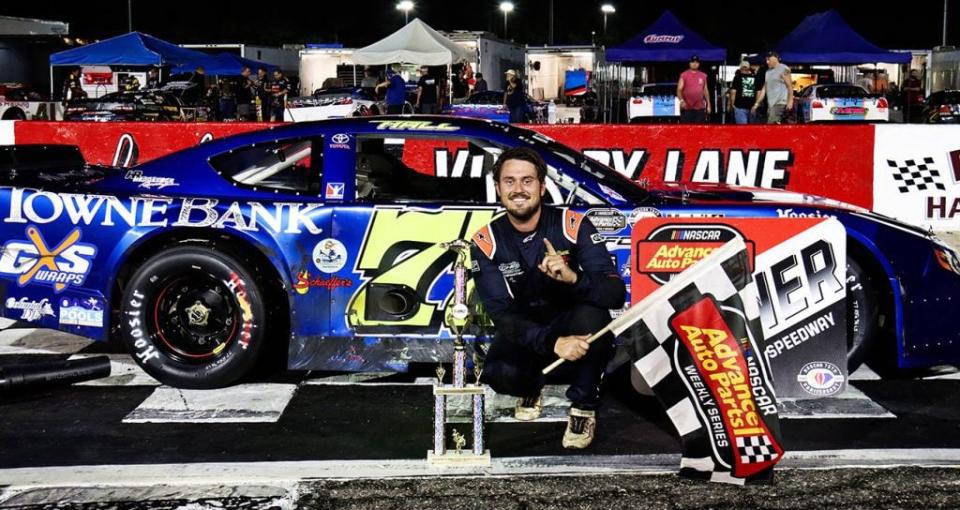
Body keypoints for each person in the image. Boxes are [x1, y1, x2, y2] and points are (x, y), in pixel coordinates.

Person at [470, 147, 626, 449]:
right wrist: (553, 343)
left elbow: (615, 294)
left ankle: (583, 405)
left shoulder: (573, 224)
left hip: (574, 320)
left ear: (542, 187)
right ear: (498, 189)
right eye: (510, 181)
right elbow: (502, 314)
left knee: (593, 319)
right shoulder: (485, 241)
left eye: (527, 181)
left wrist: (574, 279)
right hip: (529, 326)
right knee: (500, 375)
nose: (518, 190)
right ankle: (532, 386)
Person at [751, 51, 794, 124]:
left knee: (771, 126)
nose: (767, 62)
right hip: (771, 105)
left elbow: (789, 86)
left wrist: (790, 101)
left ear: (775, 59)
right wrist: (756, 104)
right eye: (766, 60)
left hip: (780, 103)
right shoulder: (768, 72)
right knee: (774, 126)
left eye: (769, 60)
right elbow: (764, 89)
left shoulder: (783, 68)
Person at [676, 55, 711, 124]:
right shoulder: (684, 75)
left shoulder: (703, 75)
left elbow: (705, 91)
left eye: (696, 62)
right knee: (686, 131)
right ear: (689, 63)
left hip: (700, 109)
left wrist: (709, 105)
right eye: (693, 62)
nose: (695, 64)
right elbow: (679, 90)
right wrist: (682, 100)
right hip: (687, 109)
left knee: (699, 131)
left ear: (699, 64)